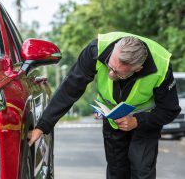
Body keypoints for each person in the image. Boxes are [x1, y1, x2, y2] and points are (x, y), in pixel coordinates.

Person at [28, 32, 181, 179]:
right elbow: (70, 88)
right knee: (116, 172)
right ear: (114, 51)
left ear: (138, 69)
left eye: (118, 73)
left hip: (145, 123)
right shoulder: (97, 50)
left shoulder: (161, 67)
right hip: (113, 120)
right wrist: (43, 126)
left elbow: (170, 110)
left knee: (142, 171)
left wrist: (137, 121)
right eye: (110, 66)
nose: (110, 75)